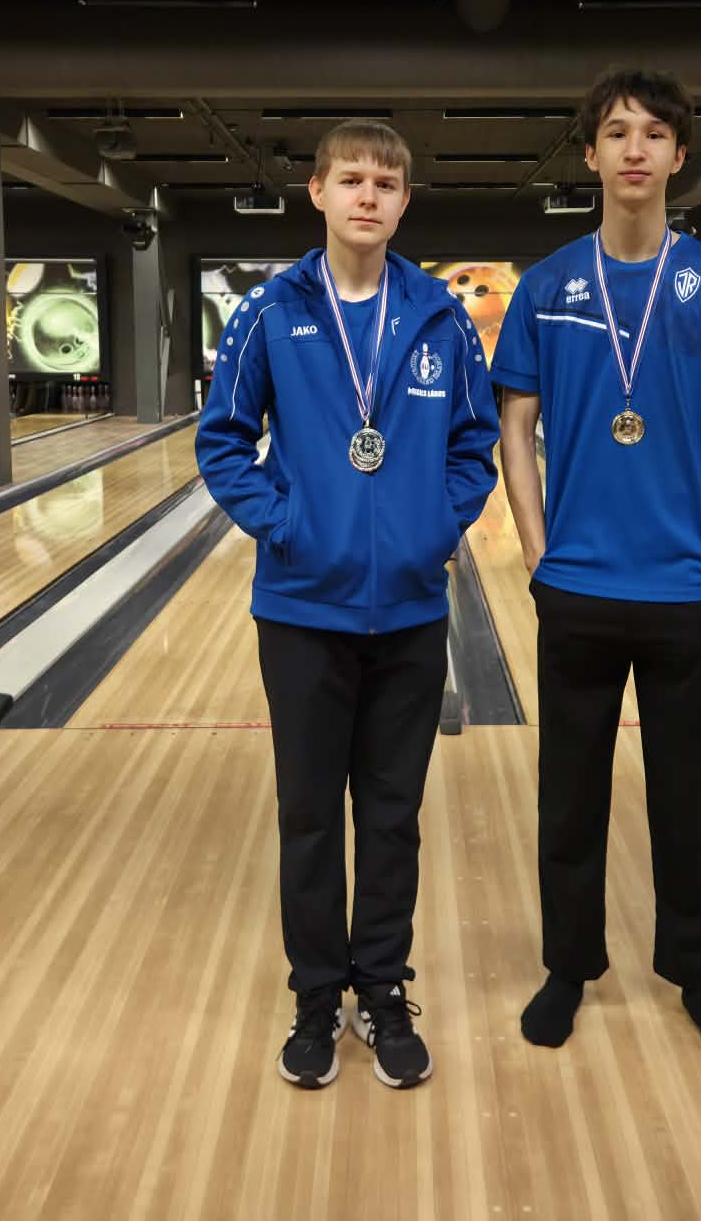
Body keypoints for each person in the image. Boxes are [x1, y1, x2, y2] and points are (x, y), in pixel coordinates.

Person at [196, 119, 498, 1090]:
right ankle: (317, 997)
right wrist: (284, 523)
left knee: (392, 816)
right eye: (352, 180)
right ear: (318, 193)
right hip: (300, 609)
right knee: (309, 818)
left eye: (386, 183)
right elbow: (221, 441)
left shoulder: (441, 318)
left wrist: (429, 528)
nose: (369, 196)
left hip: (408, 610)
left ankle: (382, 988)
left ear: (404, 202)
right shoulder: (268, 312)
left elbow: (473, 445)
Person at [490, 67, 701, 1068]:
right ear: (590, 154)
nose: (635, 149)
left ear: (678, 155)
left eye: (654, 133)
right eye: (616, 132)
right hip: (575, 585)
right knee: (568, 797)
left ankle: (696, 977)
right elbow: (514, 426)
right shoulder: (545, 286)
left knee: (685, 799)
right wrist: (537, 554)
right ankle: (568, 968)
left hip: (680, 591)